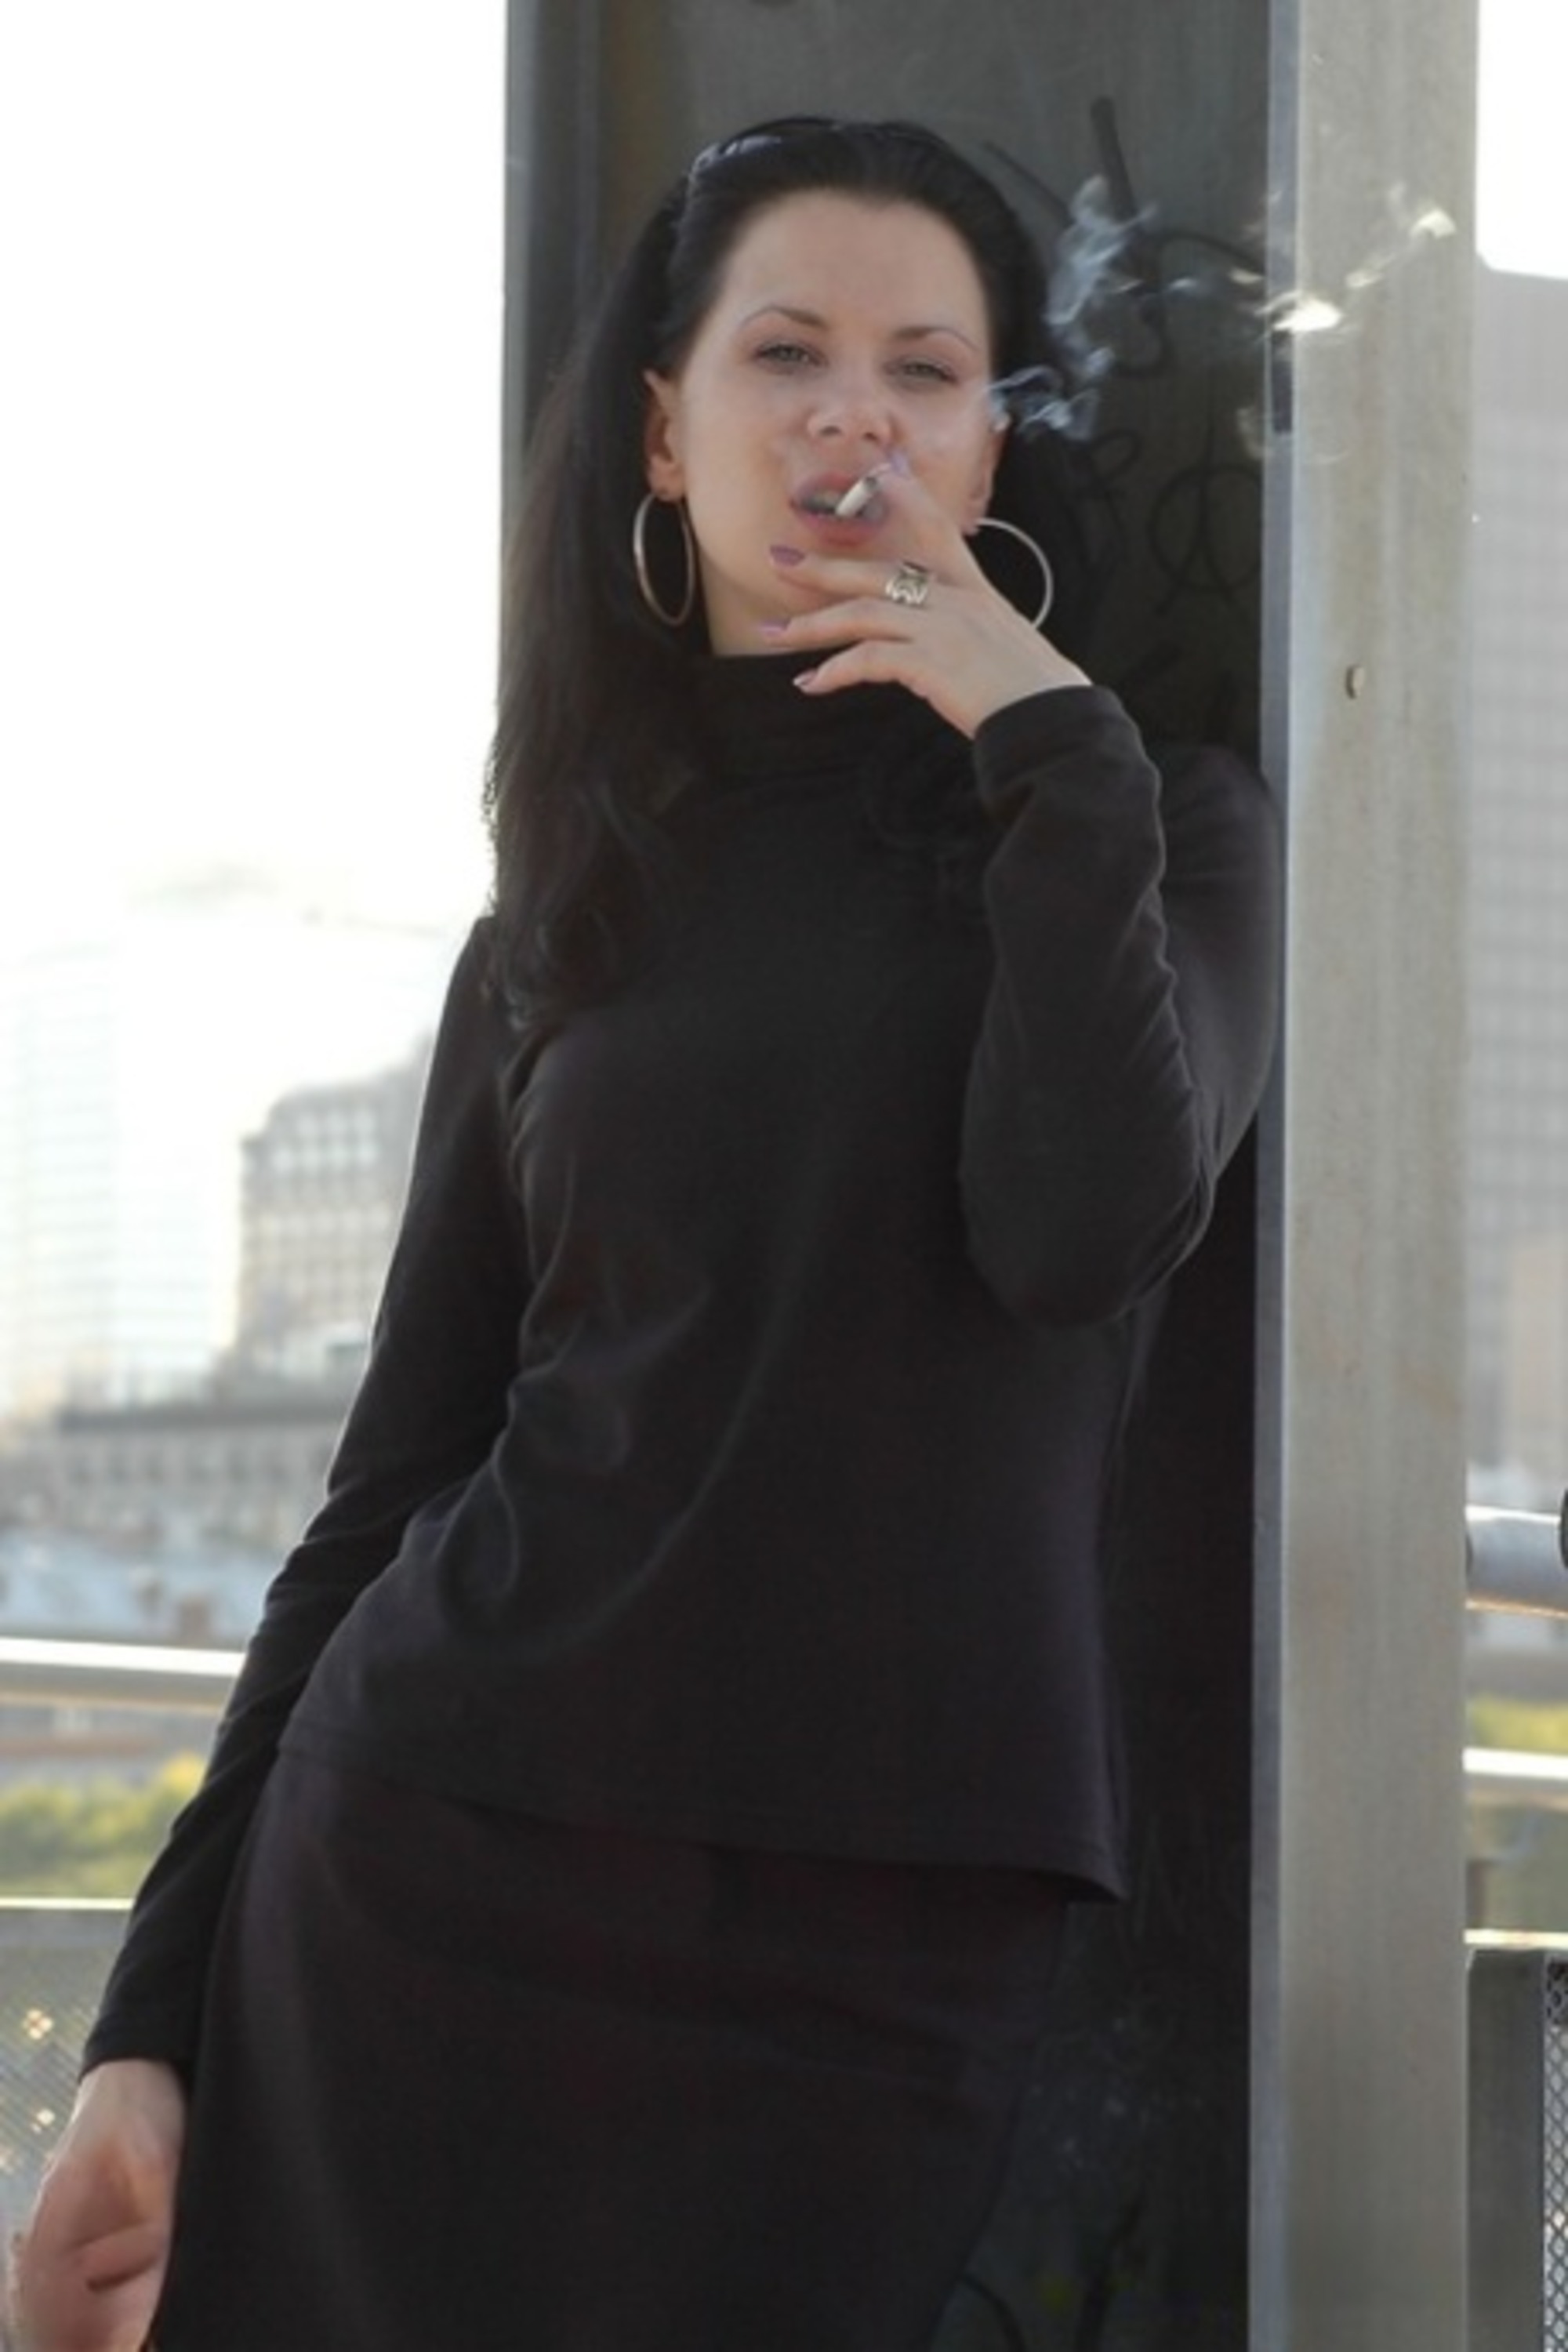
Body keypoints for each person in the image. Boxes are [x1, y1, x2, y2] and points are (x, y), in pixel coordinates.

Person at [11, 116, 1281, 2352]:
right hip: (434, 1856)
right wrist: (146, 2031)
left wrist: (1044, 741)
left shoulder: (1153, 823)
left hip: (886, 1932)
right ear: (666, 431)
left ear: (991, 445)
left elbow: (1084, 1234)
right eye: (785, 354)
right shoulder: (560, 915)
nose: (854, 420)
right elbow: (388, 1487)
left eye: (925, 370)